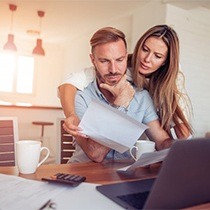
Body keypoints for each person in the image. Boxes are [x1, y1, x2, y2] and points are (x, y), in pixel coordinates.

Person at [58, 25, 193, 140]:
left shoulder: (171, 78)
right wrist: (71, 115)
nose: (147, 59)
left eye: (157, 56)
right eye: (145, 50)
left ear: (165, 61)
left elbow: (181, 127)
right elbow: (69, 83)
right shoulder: (122, 67)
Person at [67, 27, 173, 163]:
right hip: (83, 175)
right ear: (93, 60)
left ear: (126, 57)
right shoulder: (81, 97)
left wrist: (183, 148)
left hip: (123, 176)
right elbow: (95, 153)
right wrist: (120, 105)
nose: (113, 69)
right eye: (104, 61)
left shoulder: (141, 97)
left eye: (119, 60)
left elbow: (161, 140)